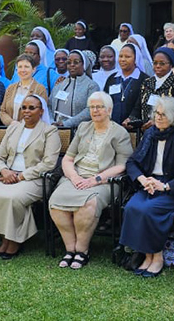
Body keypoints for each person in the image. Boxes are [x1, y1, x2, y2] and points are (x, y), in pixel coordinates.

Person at [49, 92, 133, 270]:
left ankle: (82, 250)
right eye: (92, 107)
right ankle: (70, 249)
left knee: (88, 204)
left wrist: (96, 179)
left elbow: (122, 165)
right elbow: (68, 158)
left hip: (104, 181)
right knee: (56, 203)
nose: (95, 110)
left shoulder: (120, 132)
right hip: (76, 177)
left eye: (99, 107)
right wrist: (74, 177)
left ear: (109, 110)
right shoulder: (83, 127)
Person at [120, 96, 174, 277]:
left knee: (148, 209)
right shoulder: (150, 134)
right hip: (149, 184)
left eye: (163, 114)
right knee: (132, 207)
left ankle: (157, 257)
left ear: (173, 117)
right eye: (156, 113)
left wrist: (166, 186)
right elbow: (132, 162)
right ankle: (147, 256)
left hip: (173, 189)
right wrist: (142, 180)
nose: (158, 117)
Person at [0, 95, 60, 259]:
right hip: (8, 174)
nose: (27, 111)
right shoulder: (13, 128)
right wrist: (4, 171)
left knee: (14, 198)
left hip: (35, 178)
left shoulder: (50, 131)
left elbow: (49, 163)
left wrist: (22, 176)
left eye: (32, 108)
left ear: (41, 111)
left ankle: (13, 240)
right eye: (24, 107)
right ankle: (4, 238)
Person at [126, 48, 174, 131]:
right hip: (146, 133)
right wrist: (130, 119)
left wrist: (158, 122)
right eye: (155, 63)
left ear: (171, 65)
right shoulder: (147, 83)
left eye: (162, 63)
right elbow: (138, 108)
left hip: (167, 133)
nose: (158, 66)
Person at [49, 50, 100, 129]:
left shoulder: (91, 86)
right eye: (69, 62)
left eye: (76, 62)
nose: (72, 65)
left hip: (80, 131)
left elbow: (90, 109)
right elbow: (49, 105)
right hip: (56, 129)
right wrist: (51, 121)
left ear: (84, 64)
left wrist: (67, 123)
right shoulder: (59, 84)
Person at [0, 54, 48, 125]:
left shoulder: (40, 89)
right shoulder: (10, 88)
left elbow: (40, 112)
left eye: (26, 67)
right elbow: (2, 111)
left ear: (33, 69)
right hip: (10, 129)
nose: (23, 70)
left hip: (30, 131)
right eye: (20, 67)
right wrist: (11, 122)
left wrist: (21, 125)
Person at [104, 43, 144, 125]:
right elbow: (105, 100)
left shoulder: (144, 79)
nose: (123, 59)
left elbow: (141, 104)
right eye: (121, 56)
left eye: (127, 57)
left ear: (136, 59)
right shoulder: (112, 78)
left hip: (133, 128)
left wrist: (131, 118)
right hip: (111, 126)